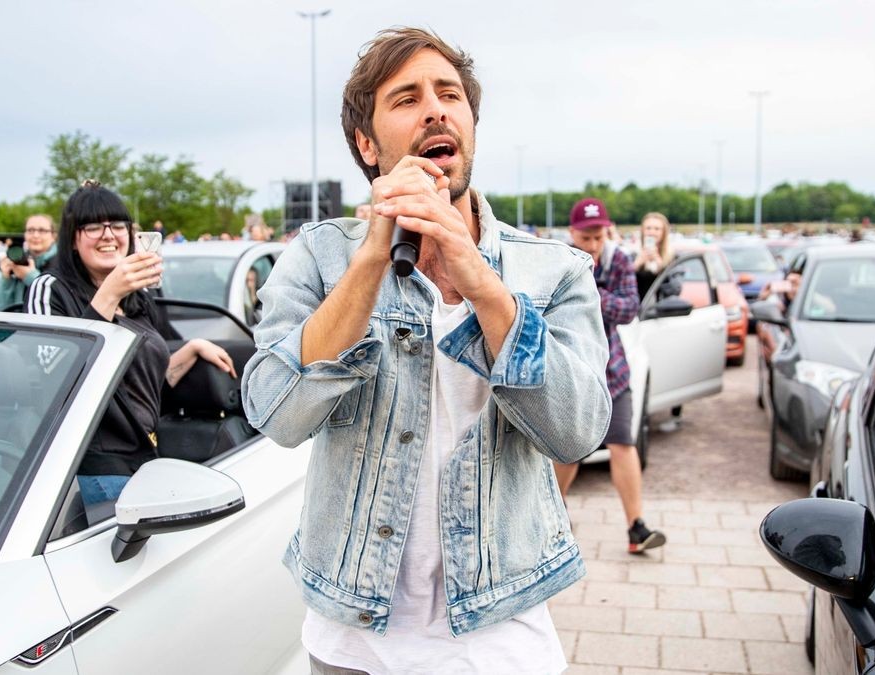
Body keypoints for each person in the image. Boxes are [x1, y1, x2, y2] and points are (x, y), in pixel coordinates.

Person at [241, 28, 610, 674]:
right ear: (367, 143)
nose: (437, 109)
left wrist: (480, 283)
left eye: (451, 94)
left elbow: (578, 430)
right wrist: (371, 260)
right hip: (353, 640)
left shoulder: (553, 270)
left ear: (469, 122)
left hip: (501, 635)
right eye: (406, 98)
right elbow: (275, 411)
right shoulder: (322, 257)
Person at [26, 181, 236, 507]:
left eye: (118, 225)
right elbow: (55, 376)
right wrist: (108, 294)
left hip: (148, 455)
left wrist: (191, 347)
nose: (108, 235)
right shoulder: (51, 288)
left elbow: (153, 383)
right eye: (93, 226)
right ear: (72, 238)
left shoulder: (138, 296)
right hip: (97, 463)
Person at [553, 197, 666, 555]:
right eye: (586, 238)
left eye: (599, 237)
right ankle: (554, 513)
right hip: (574, 369)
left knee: (623, 444)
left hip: (612, 370)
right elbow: (554, 310)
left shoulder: (617, 259)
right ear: (572, 233)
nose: (594, 245)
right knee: (570, 451)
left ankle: (636, 526)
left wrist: (588, 293)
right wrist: (598, 298)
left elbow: (628, 308)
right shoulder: (560, 260)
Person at [0, 214, 57, 311]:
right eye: (30, 230)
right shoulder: (19, 261)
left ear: (53, 236)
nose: (35, 235)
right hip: (19, 324)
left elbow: (61, 298)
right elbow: (2, 310)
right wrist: (6, 279)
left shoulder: (63, 263)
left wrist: (29, 276)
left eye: (42, 231)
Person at [633, 211, 674, 300]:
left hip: (662, 309)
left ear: (664, 232)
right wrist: (636, 264)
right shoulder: (632, 255)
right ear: (642, 231)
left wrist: (660, 263)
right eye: (648, 228)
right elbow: (623, 285)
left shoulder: (672, 258)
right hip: (639, 309)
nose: (652, 232)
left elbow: (674, 289)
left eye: (657, 229)